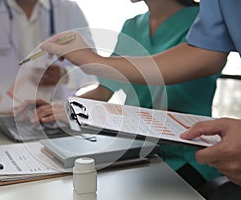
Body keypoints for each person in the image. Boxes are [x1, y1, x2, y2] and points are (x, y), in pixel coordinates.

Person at [16, 0, 222, 189]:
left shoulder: (203, 25)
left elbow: (159, 78)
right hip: (136, 151)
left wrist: (90, 60)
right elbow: (105, 90)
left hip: (186, 156)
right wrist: (61, 106)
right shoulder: (133, 26)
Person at [0, 0, 97, 111]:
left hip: (57, 115)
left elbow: (95, 72)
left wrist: (64, 75)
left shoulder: (70, 11)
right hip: (4, 115)